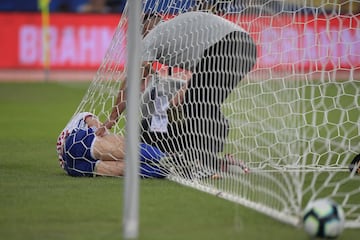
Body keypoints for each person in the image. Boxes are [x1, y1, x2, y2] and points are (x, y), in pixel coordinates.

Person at [96, 11, 257, 178]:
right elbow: (203, 71)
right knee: (202, 103)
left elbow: (132, 81)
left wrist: (112, 118)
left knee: (197, 105)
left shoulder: (152, 37)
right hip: (246, 48)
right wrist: (183, 93)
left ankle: (204, 164)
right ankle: (213, 162)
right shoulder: (175, 29)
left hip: (226, 47)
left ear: (147, 25)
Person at [56, 112, 168, 178]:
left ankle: (165, 171)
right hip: (77, 141)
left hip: (72, 167)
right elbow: (97, 127)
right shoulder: (83, 117)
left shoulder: (68, 129)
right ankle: (165, 158)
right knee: (127, 148)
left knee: (122, 169)